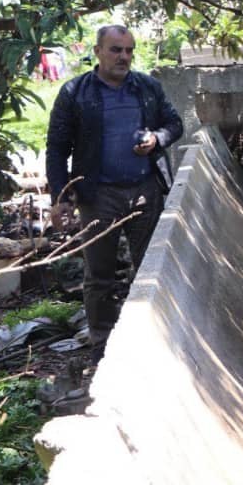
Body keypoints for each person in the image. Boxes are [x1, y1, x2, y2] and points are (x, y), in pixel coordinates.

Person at [46, 25, 184, 363]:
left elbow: (175, 124)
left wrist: (157, 138)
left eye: (129, 50)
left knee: (152, 271)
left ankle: (152, 339)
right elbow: (57, 148)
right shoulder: (75, 93)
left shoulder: (147, 88)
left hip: (145, 191)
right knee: (99, 275)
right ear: (97, 52)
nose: (124, 57)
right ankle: (102, 345)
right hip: (97, 196)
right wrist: (61, 198)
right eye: (116, 49)